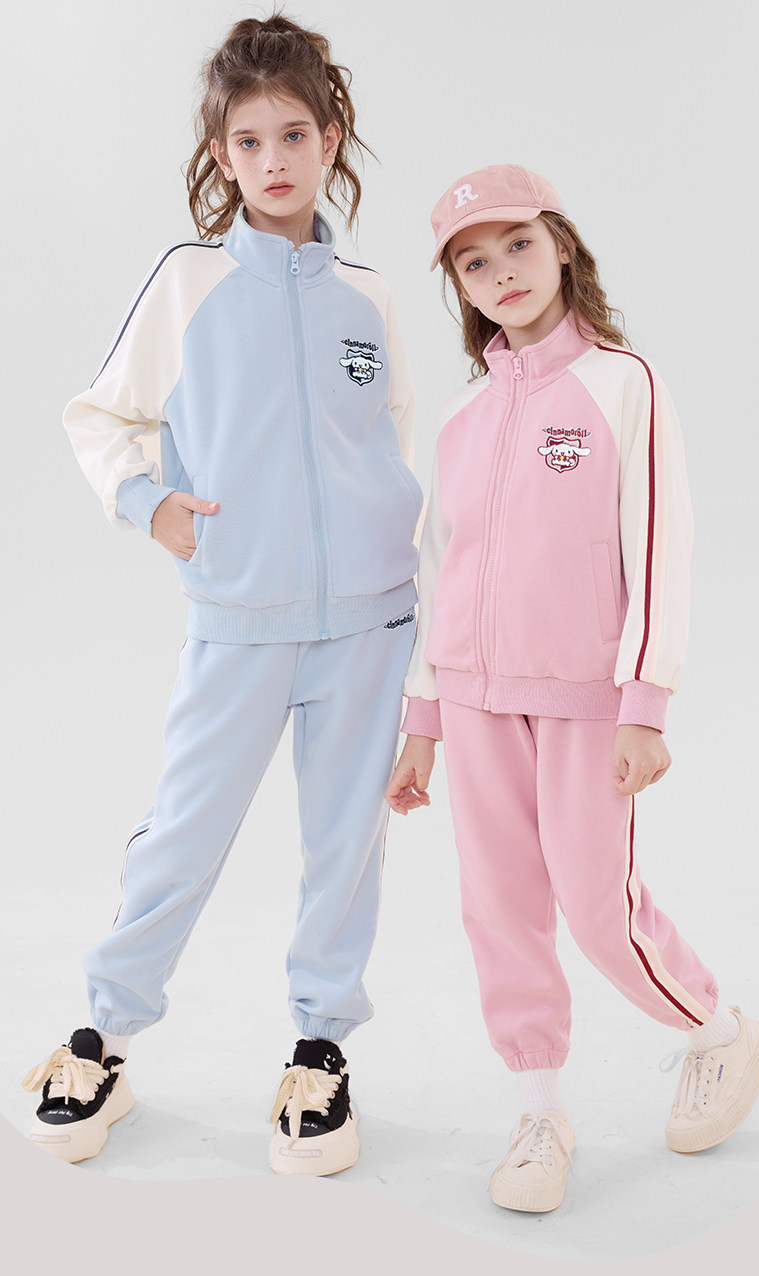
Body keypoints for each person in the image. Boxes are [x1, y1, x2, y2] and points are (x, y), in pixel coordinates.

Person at [22, 14, 421, 1176]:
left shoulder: (368, 296)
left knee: (345, 848)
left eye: (294, 134)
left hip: (370, 626)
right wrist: (146, 500)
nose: (274, 159)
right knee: (182, 835)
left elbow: (395, 446)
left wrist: (418, 604)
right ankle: (104, 1036)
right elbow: (97, 414)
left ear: (331, 139)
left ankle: (319, 1053)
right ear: (221, 156)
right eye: (249, 141)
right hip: (239, 621)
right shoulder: (190, 281)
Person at [386, 164, 759, 1213]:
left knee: (599, 908)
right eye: (475, 262)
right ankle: (540, 1111)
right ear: (460, 287)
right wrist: (422, 721)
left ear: (561, 245)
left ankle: (721, 1033)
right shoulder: (464, 418)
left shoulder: (622, 384)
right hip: (475, 702)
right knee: (499, 909)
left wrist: (645, 700)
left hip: (585, 703)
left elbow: (658, 548)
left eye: (518, 244)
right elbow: (439, 572)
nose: (501, 272)